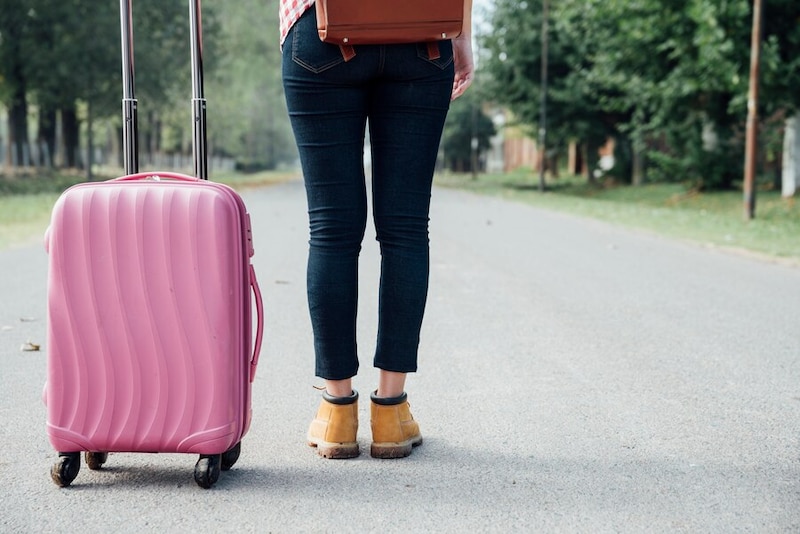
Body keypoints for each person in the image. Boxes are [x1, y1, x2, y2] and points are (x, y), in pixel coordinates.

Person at [280, 0, 474, 459]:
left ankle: (336, 413)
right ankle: (390, 412)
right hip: (422, 32)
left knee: (331, 228)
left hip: (321, 33)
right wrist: (463, 39)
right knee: (406, 227)